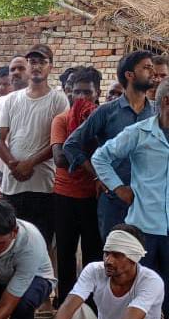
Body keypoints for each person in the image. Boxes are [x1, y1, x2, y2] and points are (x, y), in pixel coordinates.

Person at [91, 77, 169, 319]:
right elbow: (101, 157)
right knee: (138, 293)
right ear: (166, 103)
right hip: (145, 227)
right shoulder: (139, 132)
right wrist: (118, 187)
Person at [63, 50, 155, 239]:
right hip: (114, 199)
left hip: (149, 201)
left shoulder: (157, 112)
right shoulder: (106, 112)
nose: (152, 73)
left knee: (147, 261)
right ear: (129, 75)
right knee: (115, 256)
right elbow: (71, 145)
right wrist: (100, 177)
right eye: (146, 68)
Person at [0, 44, 69, 246]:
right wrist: (13, 164)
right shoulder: (11, 99)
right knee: (10, 244)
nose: (36, 67)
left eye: (42, 62)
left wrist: (30, 163)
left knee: (40, 245)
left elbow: (58, 141)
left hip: (44, 186)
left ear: (51, 67)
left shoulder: (58, 99)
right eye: (32, 62)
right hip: (12, 185)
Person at [51, 67, 103, 304]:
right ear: (69, 93)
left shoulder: (103, 119)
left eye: (87, 92)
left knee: (93, 253)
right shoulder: (61, 120)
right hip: (65, 195)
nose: (81, 97)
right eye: (76, 92)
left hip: (93, 195)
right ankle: (65, 304)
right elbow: (60, 159)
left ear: (97, 92)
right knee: (65, 254)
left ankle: (91, 305)